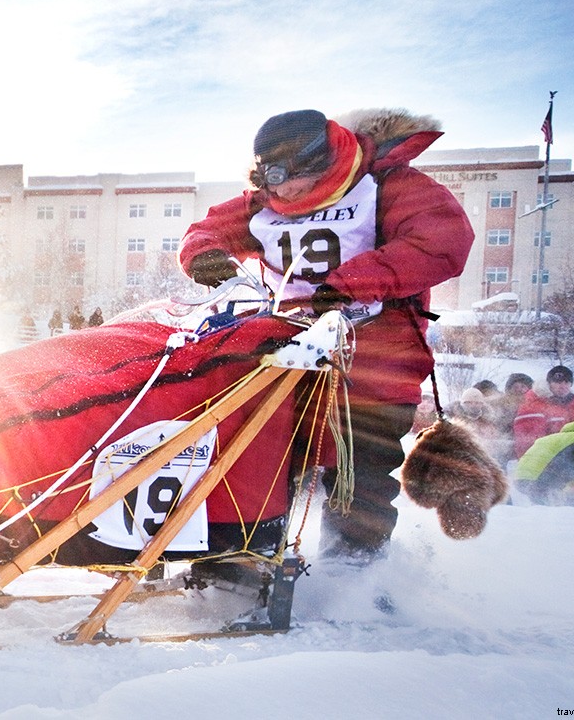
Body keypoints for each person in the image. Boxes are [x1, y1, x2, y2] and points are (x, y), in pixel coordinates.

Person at [178, 107, 473, 559]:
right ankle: (244, 560)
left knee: (359, 474)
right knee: (257, 461)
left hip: (375, 363)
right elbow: (206, 230)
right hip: (285, 356)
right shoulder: (262, 201)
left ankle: (354, 569)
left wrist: (352, 283)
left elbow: (442, 240)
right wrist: (204, 255)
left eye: (291, 180)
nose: (283, 192)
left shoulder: (387, 185)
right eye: (272, 181)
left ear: (322, 162)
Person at [512, 365, 574, 458]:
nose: (562, 386)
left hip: (569, 461)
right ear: (549, 384)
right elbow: (528, 445)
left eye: (566, 382)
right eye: (558, 382)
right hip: (543, 461)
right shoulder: (534, 406)